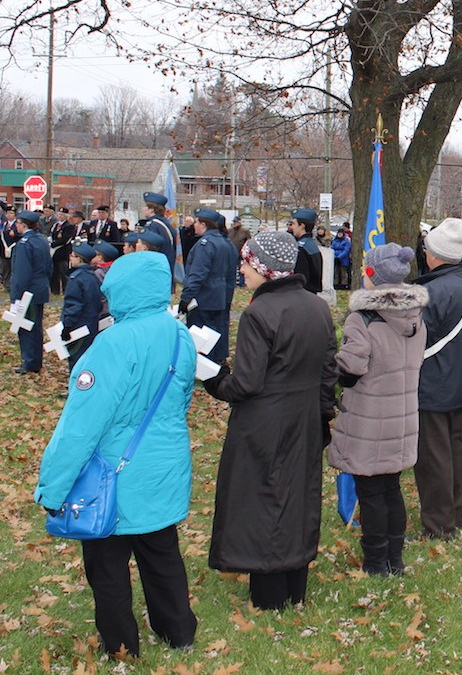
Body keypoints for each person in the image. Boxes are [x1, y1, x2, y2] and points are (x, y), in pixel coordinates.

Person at [33, 251, 198, 659]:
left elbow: (81, 426)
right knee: (162, 553)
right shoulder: (180, 335)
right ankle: (178, 632)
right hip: (164, 465)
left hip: (113, 475)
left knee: (107, 567)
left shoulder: (112, 344)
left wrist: (52, 489)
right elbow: (182, 398)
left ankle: (122, 646)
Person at [202, 230, 338, 610]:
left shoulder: (259, 313)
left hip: (264, 423)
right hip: (306, 417)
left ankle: (270, 593)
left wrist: (212, 377)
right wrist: (322, 414)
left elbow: (245, 384)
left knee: (262, 499)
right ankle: (294, 584)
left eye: (247, 263)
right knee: (297, 496)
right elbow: (328, 371)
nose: (242, 270)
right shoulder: (317, 307)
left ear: (265, 268)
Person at [329, 243, 428, 576]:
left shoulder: (363, 319)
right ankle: (395, 558)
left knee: (370, 491)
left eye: (363, 268)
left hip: (369, 417)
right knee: (391, 488)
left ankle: (375, 562)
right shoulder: (416, 316)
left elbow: (351, 369)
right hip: (402, 415)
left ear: (372, 274)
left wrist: (332, 365)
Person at [412, 218, 462, 540]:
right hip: (460, 379)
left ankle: (439, 526)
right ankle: (452, 515)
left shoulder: (429, 291)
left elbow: (415, 338)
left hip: (432, 383)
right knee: (453, 453)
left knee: (434, 459)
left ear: (434, 254)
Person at [178, 208, 238, 364]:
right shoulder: (226, 243)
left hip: (204, 297)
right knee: (217, 330)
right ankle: (218, 360)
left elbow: (198, 274)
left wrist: (186, 297)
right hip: (221, 295)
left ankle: (205, 365)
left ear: (203, 224)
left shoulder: (206, 244)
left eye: (196, 222)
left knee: (202, 334)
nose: (194, 226)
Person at [9, 210, 52, 375]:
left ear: (23, 224)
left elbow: (21, 273)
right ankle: (35, 360)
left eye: (18, 223)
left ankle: (30, 361)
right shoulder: (41, 241)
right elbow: (49, 267)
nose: (16, 226)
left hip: (27, 291)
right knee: (36, 326)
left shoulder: (24, 243)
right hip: (40, 288)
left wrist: (17, 296)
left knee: (26, 327)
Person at [61, 242, 103, 369]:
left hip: (78, 327)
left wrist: (67, 326)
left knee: (76, 359)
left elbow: (74, 305)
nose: (70, 258)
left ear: (79, 259)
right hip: (91, 325)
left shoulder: (76, 279)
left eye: (73, 256)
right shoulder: (93, 276)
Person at [141, 192, 179, 285]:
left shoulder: (153, 225)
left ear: (151, 210)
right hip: (166, 268)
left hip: (155, 270)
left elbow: (148, 249)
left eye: (145, 206)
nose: (143, 208)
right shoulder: (166, 224)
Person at [289, 208, 324, 294]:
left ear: (302, 226)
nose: (291, 227)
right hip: (311, 295)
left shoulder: (300, 248)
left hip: (302, 295)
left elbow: (299, 278)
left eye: (293, 224)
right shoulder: (311, 244)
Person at [49, 209, 80, 295]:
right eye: (59, 215)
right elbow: (52, 235)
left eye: (62, 215)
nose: (60, 216)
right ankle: (55, 290)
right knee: (54, 272)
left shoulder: (69, 226)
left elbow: (66, 239)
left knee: (63, 271)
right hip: (54, 252)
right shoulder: (56, 225)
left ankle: (66, 290)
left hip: (63, 251)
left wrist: (54, 244)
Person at [331, 223, 352, 289]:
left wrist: (339, 257)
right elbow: (332, 248)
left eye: (341, 233)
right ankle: (336, 283)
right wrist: (334, 256)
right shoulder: (335, 241)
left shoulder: (346, 241)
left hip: (343, 258)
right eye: (339, 233)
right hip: (335, 258)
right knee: (336, 272)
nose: (339, 235)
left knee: (343, 272)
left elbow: (346, 250)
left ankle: (344, 284)